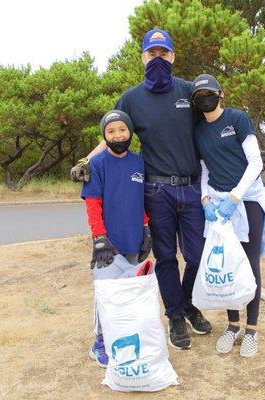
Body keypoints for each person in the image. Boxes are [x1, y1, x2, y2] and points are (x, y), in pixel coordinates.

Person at [71, 28, 212, 350]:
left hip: (190, 189)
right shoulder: (131, 98)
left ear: (173, 56)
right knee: (165, 258)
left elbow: (215, 123)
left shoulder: (189, 92)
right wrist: (87, 160)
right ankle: (175, 317)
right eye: (152, 54)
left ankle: (189, 304)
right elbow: (112, 131)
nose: (158, 59)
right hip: (155, 190)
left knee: (196, 255)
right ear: (143, 57)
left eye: (164, 54)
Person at [191, 74, 265, 357]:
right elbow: (205, 171)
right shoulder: (198, 131)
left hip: (246, 201)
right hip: (218, 205)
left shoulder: (237, 119)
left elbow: (255, 162)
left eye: (209, 93)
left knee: (249, 263)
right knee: (226, 265)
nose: (205, 99)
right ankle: (233, 325)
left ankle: (252, 330)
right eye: (199, 96)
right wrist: (205, 199)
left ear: (221, 94)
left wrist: (235, 197)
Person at [81, 110, 147, 367]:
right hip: (107, 243)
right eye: (111, 131)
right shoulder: (97, 164)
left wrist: (146, 229)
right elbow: (93, 203)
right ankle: (99, 342)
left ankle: (120, 335)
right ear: (104, 136)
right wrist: (99, 237)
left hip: (133, 239)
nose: (117, 134)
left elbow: (140, 201)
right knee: (106, 293)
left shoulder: (138, 163)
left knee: (127, 292)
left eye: (122, 129)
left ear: (130, 132)